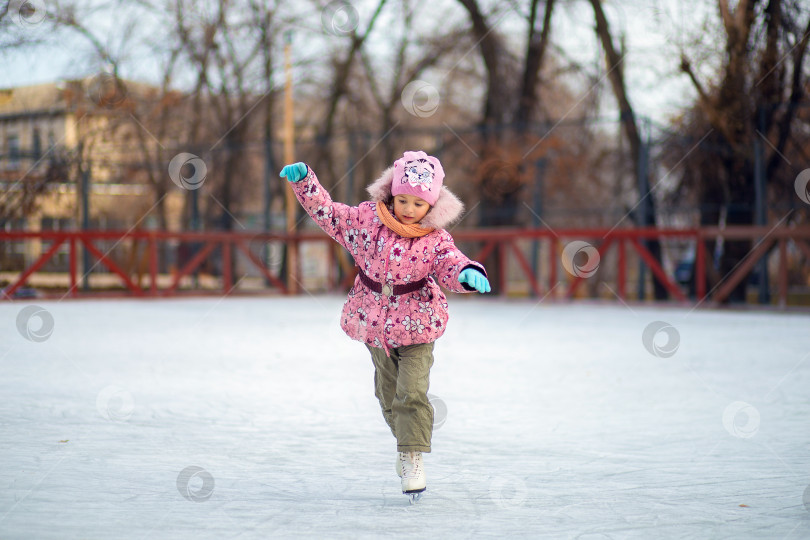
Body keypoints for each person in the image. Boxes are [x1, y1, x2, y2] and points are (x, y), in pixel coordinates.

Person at [280, 150, 490, 500]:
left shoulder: (434, 238)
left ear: (432, 205)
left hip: (419, 322)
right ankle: (406, 441)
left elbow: (451, 262)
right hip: (374, 321)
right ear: (391, 194)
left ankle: (412, 455)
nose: (408, 209)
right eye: (402, 200)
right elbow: (329, 214)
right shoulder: (366, 220)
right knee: (388, 394)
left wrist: (467, 273)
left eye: (418, 204)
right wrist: (306, 183)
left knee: (413, 390)